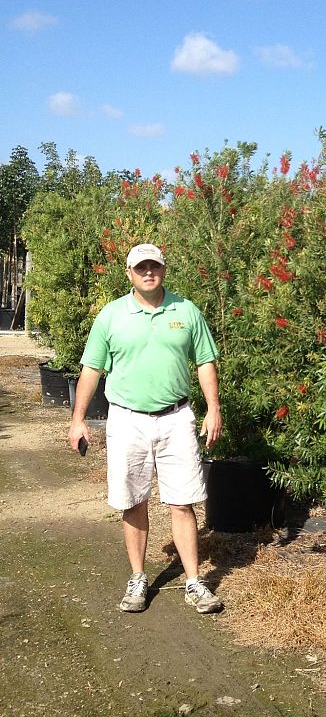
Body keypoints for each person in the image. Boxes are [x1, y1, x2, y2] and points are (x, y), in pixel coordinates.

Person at [68, 243, 223, 615]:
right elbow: (92, 368)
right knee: (132, 500)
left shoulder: (186, 311)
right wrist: (77, 419)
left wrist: (213, 409)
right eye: (141, 267)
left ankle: (194, 582)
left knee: (181, 501)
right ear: (129, 273)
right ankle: (138, 578)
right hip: (127, 419)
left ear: (164, 270)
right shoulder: (111, 316)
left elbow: (204, 361)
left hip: (176, 418)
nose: (148, 272)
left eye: (154, 266)